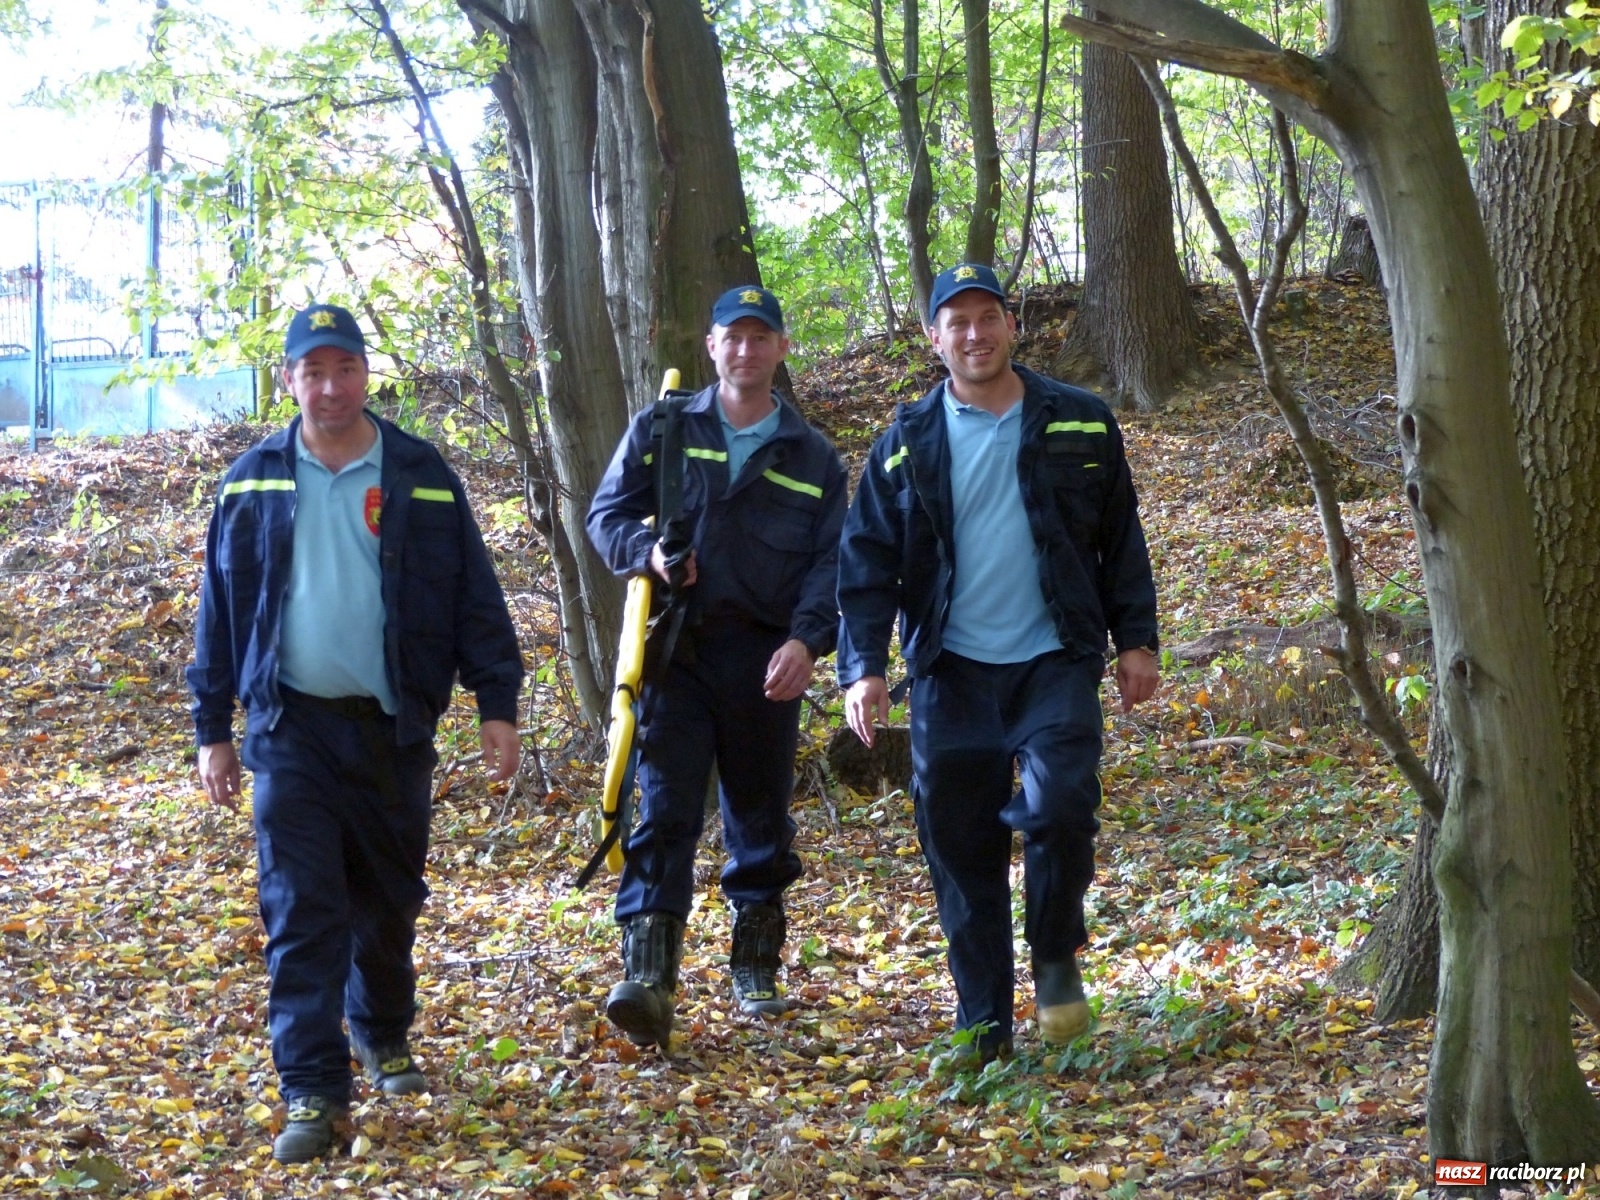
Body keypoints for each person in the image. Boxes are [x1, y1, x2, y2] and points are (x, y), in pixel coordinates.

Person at [187, 304, 524, 1163]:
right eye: (314, 371)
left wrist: (496, 702)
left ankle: (382, 1032)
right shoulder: (253, 480)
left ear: (366, 375)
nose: (331, 387)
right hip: (289, 729)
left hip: (392, 728)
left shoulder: (420, 472)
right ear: (289, 381)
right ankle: (312, 1087)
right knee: (302, 909)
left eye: (345, 369)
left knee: (387, 899)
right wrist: (211, 726)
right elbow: (219, 611)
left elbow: (473, 595)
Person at [836, 263, 1160, 1068]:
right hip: (950, 673)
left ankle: (1055, 955)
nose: (975, 335)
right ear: (934, 338)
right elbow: (867, 563)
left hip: (1054, 659)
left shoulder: (1080, 421)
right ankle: (983, 1026)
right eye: (958, 323)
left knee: (1060, 808)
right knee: (961, 851)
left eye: (989, 318)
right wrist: (862, 667)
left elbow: (1120, 536)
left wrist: (1137, 639)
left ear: (1013, 326)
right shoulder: (904, 443)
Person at [586, 284, 847, 1048]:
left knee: (760, 815)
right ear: (712, 346)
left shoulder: (812, 457)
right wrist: (650, 557)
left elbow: (833, 565)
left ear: (781, 349)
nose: (746, 349)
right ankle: (648, 979)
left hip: (768, 660)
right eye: (734, 336)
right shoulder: (665, 428)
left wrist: (807, 642)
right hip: (678, 652)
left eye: (761, 337)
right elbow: (606, 516)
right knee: (665, 810)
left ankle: (756, 967)